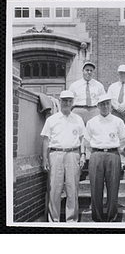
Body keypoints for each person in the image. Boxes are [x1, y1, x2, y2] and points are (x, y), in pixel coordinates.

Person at [40, 90, 86, 222]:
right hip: (55, 154)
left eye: (70, 101)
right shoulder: (51, 119)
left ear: (73, 103)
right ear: (60, 102)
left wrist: (82, 154)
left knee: (72, 188)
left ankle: (71, 220)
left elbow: (82, 138)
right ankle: (54, 220)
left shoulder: (78, 119)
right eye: (64, 100)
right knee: (54, 188)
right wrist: (45, 159)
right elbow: (46, 140)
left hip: (73, 154)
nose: (67, 103)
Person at [85, 94, 125, 222]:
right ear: (98, 106)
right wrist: (96, 151)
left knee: (113, 187)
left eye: (107, 104)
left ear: (110, 105)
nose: (105, 106)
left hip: (113, 155)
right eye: (102, 104)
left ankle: (111, 218)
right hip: (96, 155)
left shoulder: (117, 121)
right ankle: (97, 218)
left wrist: (116, 150)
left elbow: (124, 139)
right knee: (96, 188)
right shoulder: (92, 122)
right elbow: (87, 141)